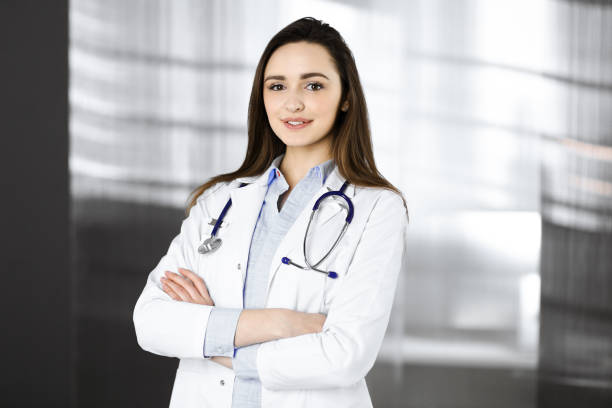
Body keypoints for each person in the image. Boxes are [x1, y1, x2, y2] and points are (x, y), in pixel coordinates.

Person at [133, 16, 409, 408]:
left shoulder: (378, 207)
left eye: (313, 85)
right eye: (277, 86)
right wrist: (282, 323)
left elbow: (345, 356)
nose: (292, 102)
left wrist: (211, 336)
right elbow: (151, 322)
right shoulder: (218, 201)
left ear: (346, 96)